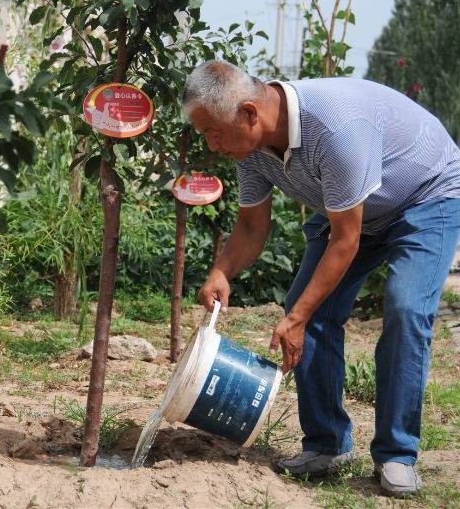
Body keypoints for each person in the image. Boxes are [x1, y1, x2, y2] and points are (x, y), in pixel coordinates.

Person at [184, 60, 460, 497]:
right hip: (356, 212)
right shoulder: (251, 150)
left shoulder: (335, 128)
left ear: (250, 114)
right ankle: (326, 445)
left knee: (406, 308)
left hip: (425, 196)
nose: (212, 144)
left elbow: (345, 242)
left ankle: (396, 454)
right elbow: (252, 229)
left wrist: (297, 316)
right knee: (308, 315)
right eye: (204, 135)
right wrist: (221, 270)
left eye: (213, 132)